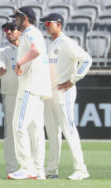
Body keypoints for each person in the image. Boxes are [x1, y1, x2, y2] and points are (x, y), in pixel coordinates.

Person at [40, 13, 91, 180]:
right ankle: (52, 169)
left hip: (64, 91)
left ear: (59, 24)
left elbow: (86, 60)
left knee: (69, 129)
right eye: (45, 23)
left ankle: (81, 169)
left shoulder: (67, 42)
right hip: (51, 91)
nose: (46, 25)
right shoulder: (52, 43)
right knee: (52, 131)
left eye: (49, 23)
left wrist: (73, 80)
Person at [7, 6, 52, 180]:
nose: (14, 21)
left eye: (17, 17)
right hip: (36, 87)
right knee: (35, 130)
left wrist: (20, 62)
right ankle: (38, 169)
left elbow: (36, 50)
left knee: (18, 126)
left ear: (25, 17)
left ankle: (26, 167)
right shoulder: (33, 33)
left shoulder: (30, 33)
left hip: (30, 87)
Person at [0, 20, 20, 175]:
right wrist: (0, 70)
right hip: (10, 94)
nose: (9, 32)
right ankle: (11, 168)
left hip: (28, 94)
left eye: (12, 28)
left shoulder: (28, 46)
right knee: (10, 132)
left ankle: (31, 167)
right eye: (6, 29)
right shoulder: (2, 49)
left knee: (30, 131)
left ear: (19, 30)